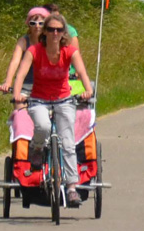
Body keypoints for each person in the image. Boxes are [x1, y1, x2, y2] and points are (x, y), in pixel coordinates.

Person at [11, 12, 96, 207]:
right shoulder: (34, 51)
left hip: (64, 100)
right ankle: (38, 149)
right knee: (42, 127)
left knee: (68, 142)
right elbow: (21, 74)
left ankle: (72, 188)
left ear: (63, 33)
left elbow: (82, 72)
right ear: (45, 32)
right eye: (50, 29)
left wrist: (88, 90)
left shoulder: (69, 52)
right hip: (39, 99)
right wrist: (17, 94)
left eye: (58, 30)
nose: (55, 33)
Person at [0, 6, 80, 94]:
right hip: (26, 86)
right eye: (33, 23)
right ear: (28, 25)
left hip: (49, 87)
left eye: (41, 23)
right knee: (20, 104)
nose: (37, 26)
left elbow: (63, 63)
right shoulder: (24, 41)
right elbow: (15, 62)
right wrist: (8, 82)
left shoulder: (54, 41)